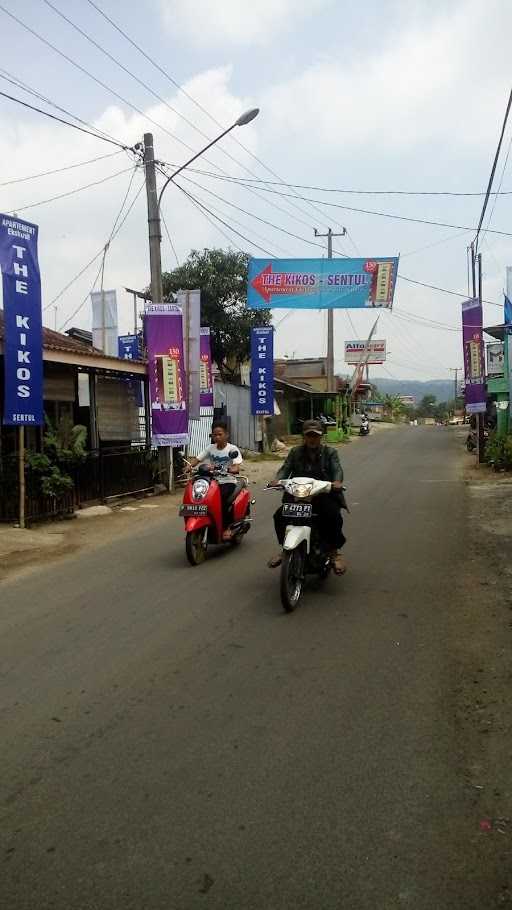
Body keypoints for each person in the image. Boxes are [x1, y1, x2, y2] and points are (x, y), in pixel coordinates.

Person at [268, 419, 347, 575]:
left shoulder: (330, 452)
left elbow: (337, 469)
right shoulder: (295, 452)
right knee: (279, 515)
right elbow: (286, 468)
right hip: (298, 495)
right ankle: (285, 549)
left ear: (321, 436)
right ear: (304, 437)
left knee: (333, 516)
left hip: (322, 495)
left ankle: (334, 552)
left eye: (315, 435)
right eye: (309, 435)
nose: (312, 439)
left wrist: (337, 482)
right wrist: (277, 480)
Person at [189, 422, 243, 541]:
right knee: (199, 497)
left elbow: (236, 467)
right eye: (215, 435)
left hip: (228, 481)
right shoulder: (210, 448)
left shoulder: (232, 449)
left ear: (226, 435)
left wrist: (229, 469)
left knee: (222, 501)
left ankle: (227, 527)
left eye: (220, 434)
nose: (217, 437)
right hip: (212, 481)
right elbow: (198, 459)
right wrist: (189, 466)